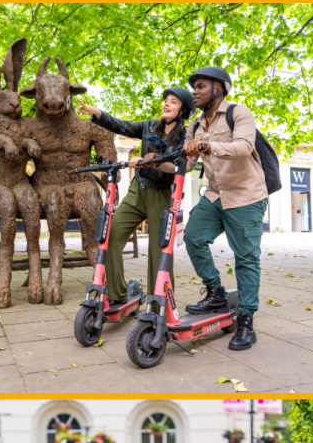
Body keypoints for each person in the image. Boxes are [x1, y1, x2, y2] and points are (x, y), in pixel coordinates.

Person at [76, 86, 195, 306]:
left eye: (174, 102)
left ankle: (159, 302)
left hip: (162, 194)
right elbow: (122, 126)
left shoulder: (187, 136)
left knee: (159, 252)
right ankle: (117, 294)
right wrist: (97, 113)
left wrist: (154, 159)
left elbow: (183, 163)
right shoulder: (149, 126)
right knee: (110, 235)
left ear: (183, 111)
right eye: (166, 100)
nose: (166, 104)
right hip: (137, 191)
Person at [182, 66, 269, 352]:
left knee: (245, 258)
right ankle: (216, 292)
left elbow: (244, 147)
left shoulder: (238, 112)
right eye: (193, 86)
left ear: (218, 88)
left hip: (246, 195)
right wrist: (156, 162)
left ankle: (246, 320)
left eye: (201, 86)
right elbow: (187, 164)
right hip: (215, 195)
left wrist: (207, 146)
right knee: (193, 236)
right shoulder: (194, 125)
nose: (194, 90)